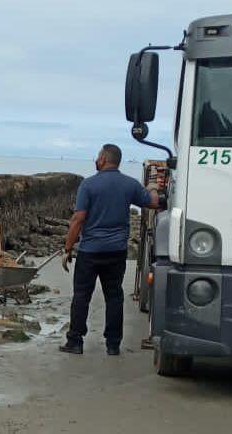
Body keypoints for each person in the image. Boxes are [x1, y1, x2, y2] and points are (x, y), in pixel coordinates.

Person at [59, 144, 160, 356]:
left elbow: (78, 218)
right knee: (114, 297)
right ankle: (113, 344)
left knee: (81, 296)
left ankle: (75, 341)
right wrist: (152, 187)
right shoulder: (129, 184)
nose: (96, 159)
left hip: (90, 251)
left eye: (98, 155)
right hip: (116, 251)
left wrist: (67, 248)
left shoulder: (88, 185)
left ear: (104, 158)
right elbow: (153, 202)